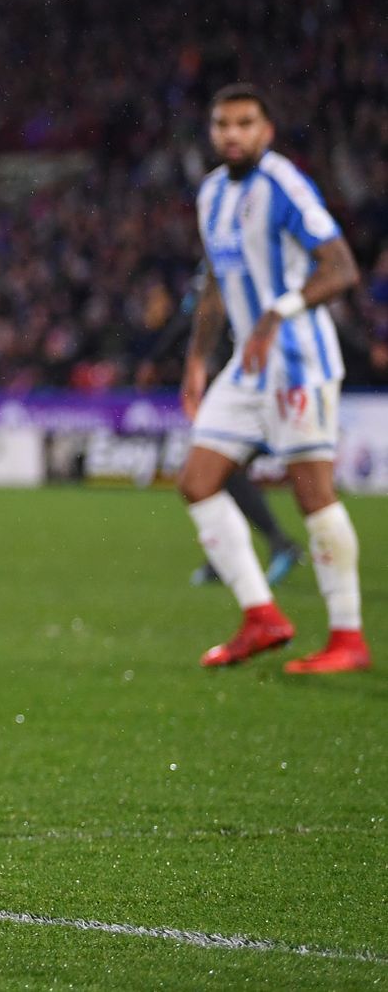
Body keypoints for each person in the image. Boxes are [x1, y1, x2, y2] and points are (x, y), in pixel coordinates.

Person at [179, 85, 369, 673]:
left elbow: (341, 267)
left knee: (312, 492)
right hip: (245, 366)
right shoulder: (211, 193)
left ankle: (348, 639)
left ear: (267, 131)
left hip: (296, 359)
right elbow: (216, 281)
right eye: (222, 123)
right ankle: (262, 616)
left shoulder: (283, 185)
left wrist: (275, 313)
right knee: (197, 479)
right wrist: (197, 359)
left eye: (245, 123)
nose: (232, 134)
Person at [144, 264, 303, 587]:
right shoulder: (252, 264)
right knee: (219, 475)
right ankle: (229, 557)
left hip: (244, 386)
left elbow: (189, 320)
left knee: (216, 472)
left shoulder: (220, 262)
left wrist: (155, 359)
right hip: (261, 378)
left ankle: (275, 544)